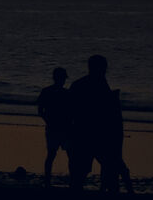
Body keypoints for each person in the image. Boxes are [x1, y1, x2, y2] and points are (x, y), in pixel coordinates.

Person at [67, 55, 128, 193]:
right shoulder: (100, 85)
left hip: (83, 133)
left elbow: (68, 111)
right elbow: (110, 115)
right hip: (96, 135)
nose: (105, 70)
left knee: (80, 174)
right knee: (104, 170)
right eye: (104, 68)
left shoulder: (79, 84)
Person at [34, 67, 70, 182]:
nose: (63, 80)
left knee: (51, 155)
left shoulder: (47, 91)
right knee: (68, 155)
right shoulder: (66, 93)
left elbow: (40, 110)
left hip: (55, 127)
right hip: (62, 128)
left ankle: (47, 179)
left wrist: (47, 120)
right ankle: (70, 180)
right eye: (63, 78)